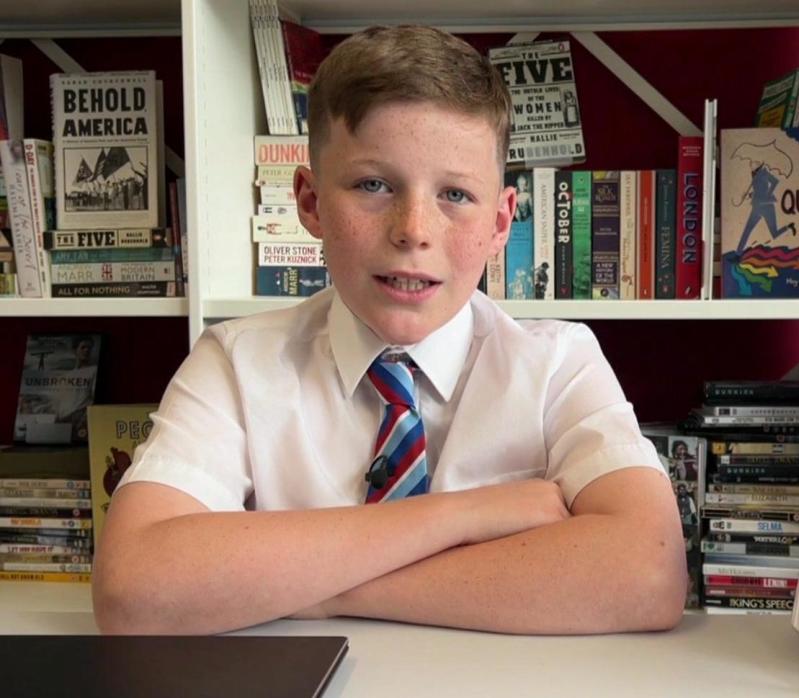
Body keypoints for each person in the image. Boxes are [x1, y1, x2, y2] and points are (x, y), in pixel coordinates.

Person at [92, 25, 686, 636]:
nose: (413, 230)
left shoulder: (560, 362)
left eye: (455, 193)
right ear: (311, 202)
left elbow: (649, 572)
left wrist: (308, 587)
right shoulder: (236, 362)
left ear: (502, 221)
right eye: (374, 185)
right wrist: (466, 516)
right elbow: (134, 589)